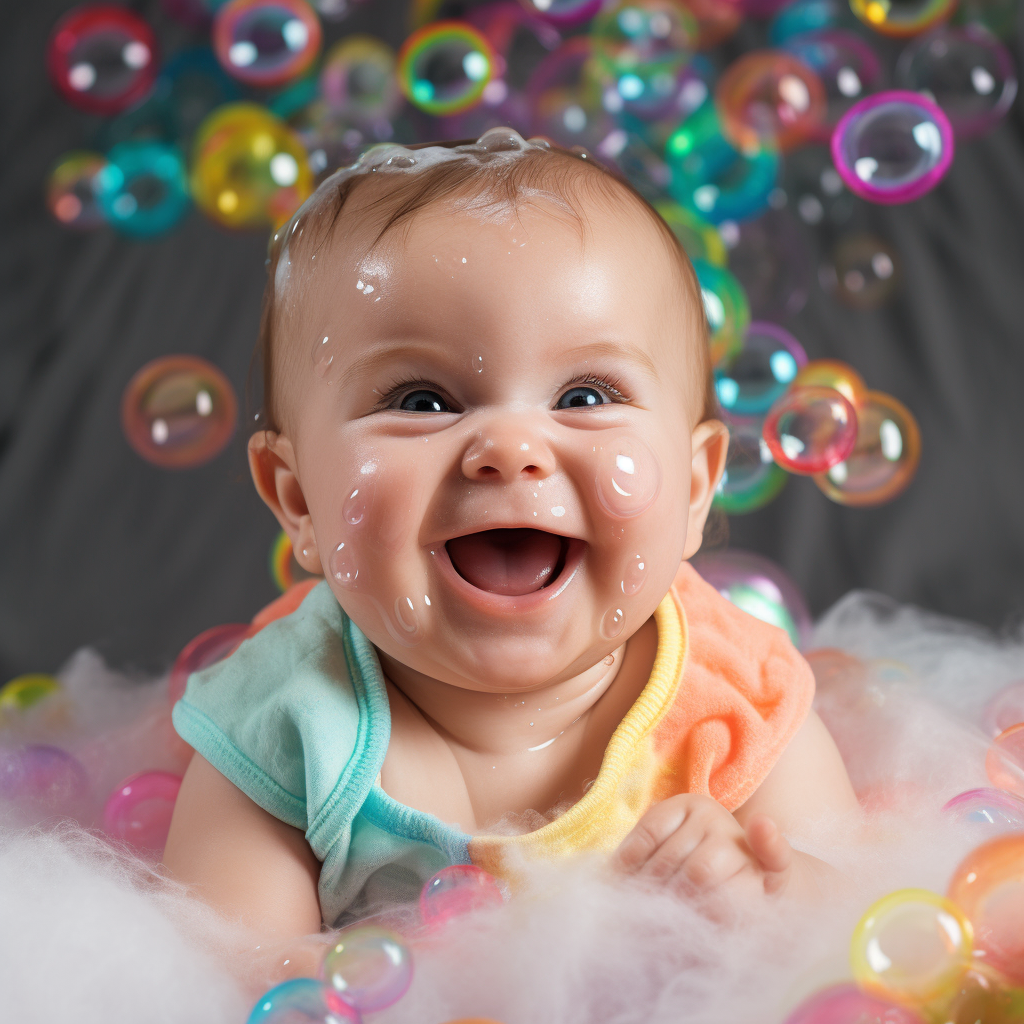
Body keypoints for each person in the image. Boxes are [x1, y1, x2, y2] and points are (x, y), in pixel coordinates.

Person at [163, 129, 860, 975]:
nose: (509, 447)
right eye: (421, 401)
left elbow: (861, 919)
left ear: (692, 489)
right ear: (298, 498)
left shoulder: (735, 702)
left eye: (585, 394)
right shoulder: (282, 731)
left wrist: (762, 899)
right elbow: (230, 978)